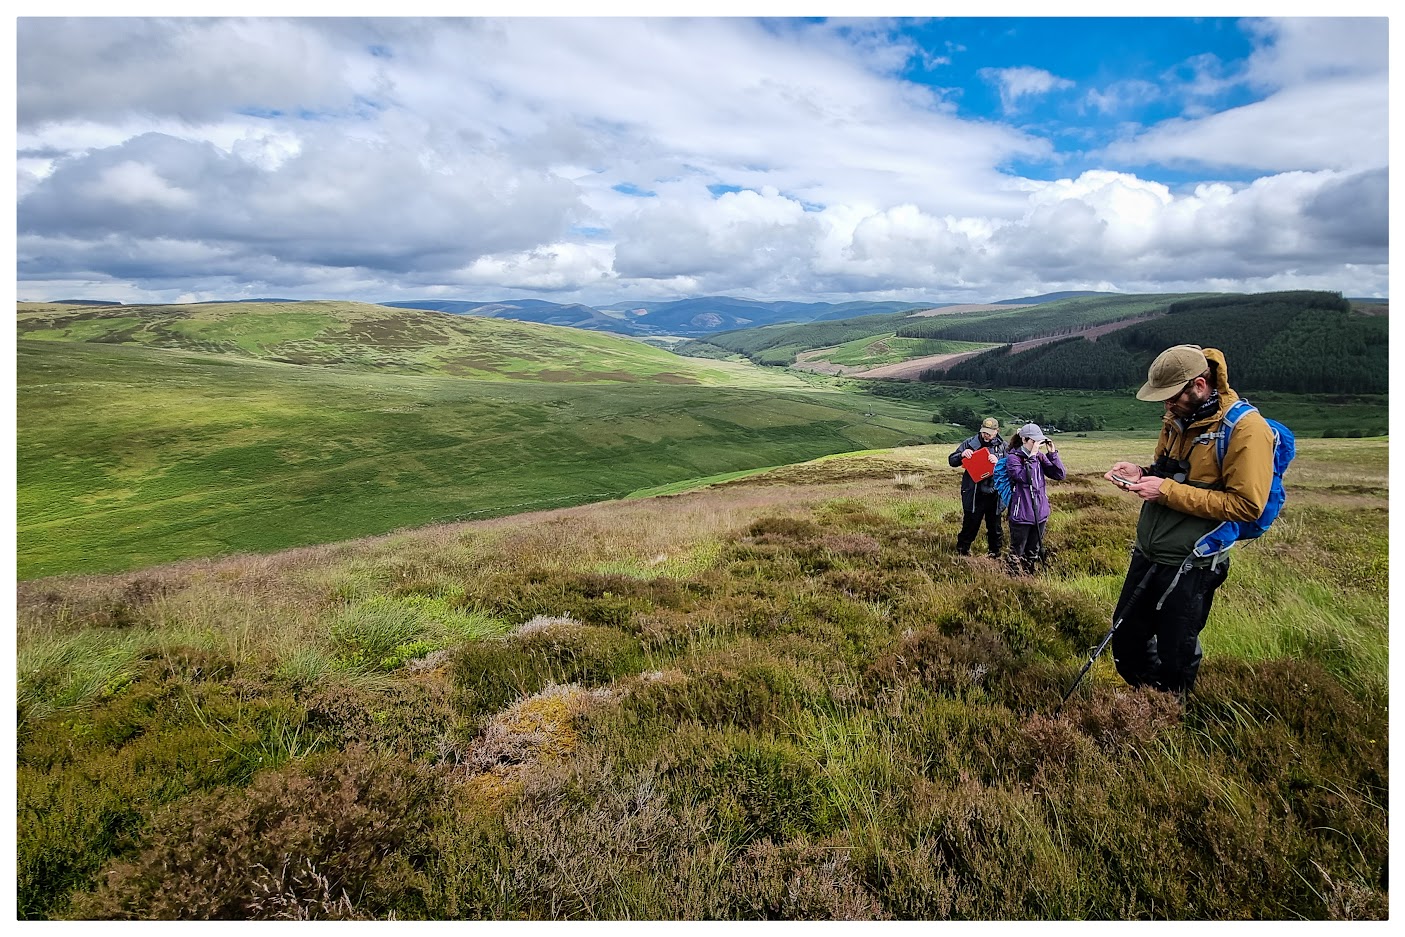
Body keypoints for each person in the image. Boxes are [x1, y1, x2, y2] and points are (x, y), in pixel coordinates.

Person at [1103, 344, 1274, 696]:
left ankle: (1169, 714)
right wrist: (1142, 473)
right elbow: (1175, 475)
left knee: (1175, 653)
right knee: (1126, 642)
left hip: (1193, 563)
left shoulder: (1246, 430)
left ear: (1199, 384)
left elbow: (1247, 505)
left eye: (1171, 397)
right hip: (1150, 551)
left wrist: (1165, 492)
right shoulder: (1177, 420)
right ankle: (1146, 704)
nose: (1166, 406)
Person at [1004, 422, 1066, 574]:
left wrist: (1052, 453)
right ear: (1024, 440)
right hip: (1022, 514)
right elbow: (1026, 478)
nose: (1037, 444)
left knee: (1034, 550)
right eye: (1034, 441)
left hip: (1040, 513)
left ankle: (1029, 577)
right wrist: (1032, 457)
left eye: (1040, 441)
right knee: (1017, 551)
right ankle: (1013, 578)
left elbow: (1059, 475)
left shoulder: (1039, 456)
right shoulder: (1013, 458)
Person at [948, 416, 1008, 557]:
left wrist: (999, 462)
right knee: (970, 524)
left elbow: (1012, 466)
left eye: (989, 433)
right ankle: (962, 552)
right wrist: (962, 454)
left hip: (995, 494)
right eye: (984, 432)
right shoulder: (969, 443)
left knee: (995, 527)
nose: (986, 435)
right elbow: (952, 460)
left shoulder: (1004, 446)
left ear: (996, 431)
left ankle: (995, 553)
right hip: (974, 493)